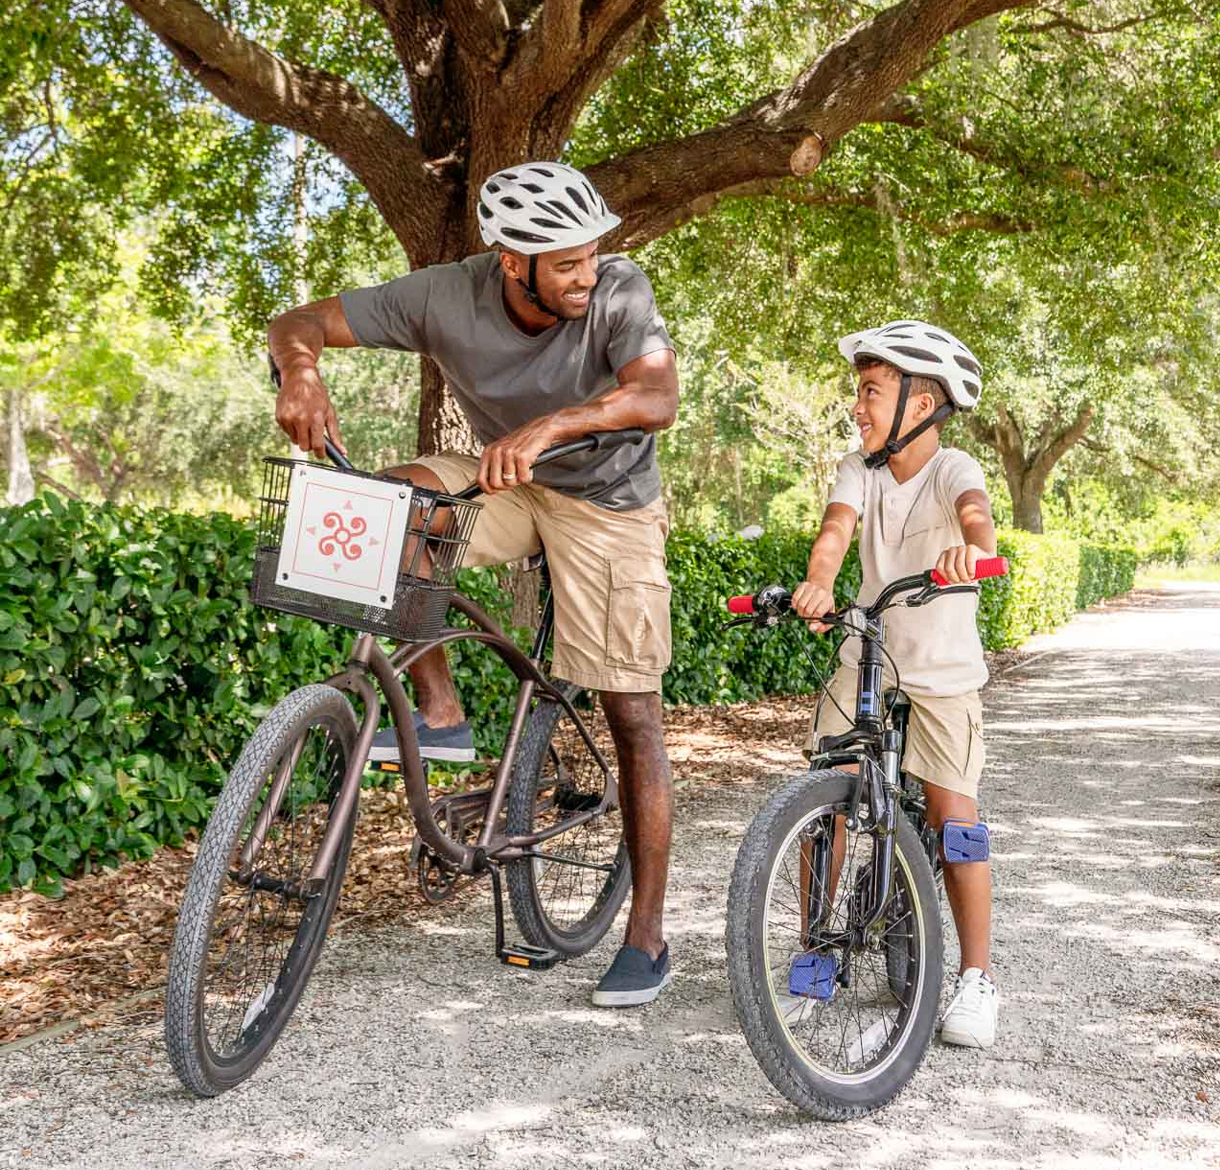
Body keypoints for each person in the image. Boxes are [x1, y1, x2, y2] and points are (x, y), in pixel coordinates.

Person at [267, 161, 679, 1007]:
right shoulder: (445, 294)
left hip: (608, 501)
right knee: (394, 511)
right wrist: (300, 369)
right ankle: (443, 715)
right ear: (509, 259)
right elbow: (299, 318)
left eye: (590, 253)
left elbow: (657, 395)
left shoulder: (619, 290)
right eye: (565, 262)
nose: (585, 273)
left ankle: (647, 935)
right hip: (508, 480)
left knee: (632, 713)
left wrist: (559, 421)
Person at [790, 320, 999, 1048]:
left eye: (872, 392)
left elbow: (979, 522)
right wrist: (819, 584)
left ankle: (977, 976)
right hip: (870, 651)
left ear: (920, 403)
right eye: (860, 392)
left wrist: (971, 554)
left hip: (941, 667)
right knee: (829, 800)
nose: (858, 407)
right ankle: (818, 951)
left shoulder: (955, 468)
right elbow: (835, 532)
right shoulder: (861, 469)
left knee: (956, 822)